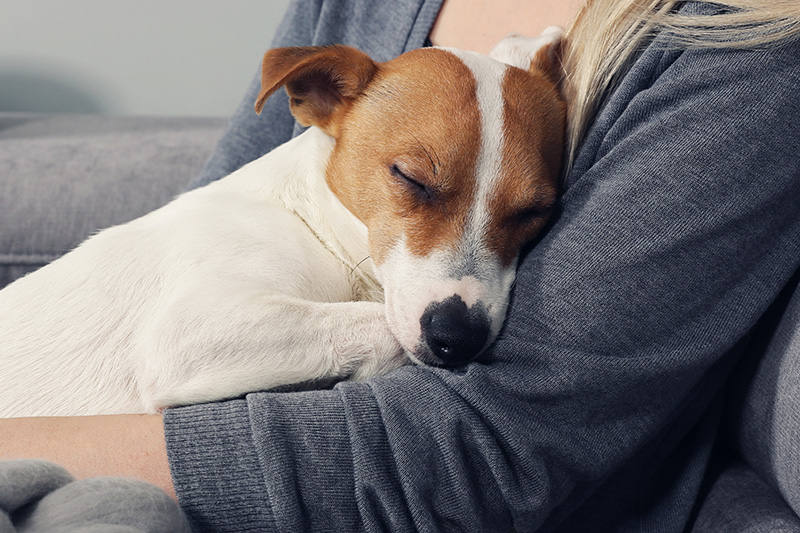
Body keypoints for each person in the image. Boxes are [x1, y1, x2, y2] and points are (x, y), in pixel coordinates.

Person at [2, 0, 799, 530]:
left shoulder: (735, 56)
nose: (467, 284)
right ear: (315, 100)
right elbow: (186, 354)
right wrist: (383, 336)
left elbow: (479, 447)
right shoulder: (251, 224)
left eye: (527, 216)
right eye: (416, 186)